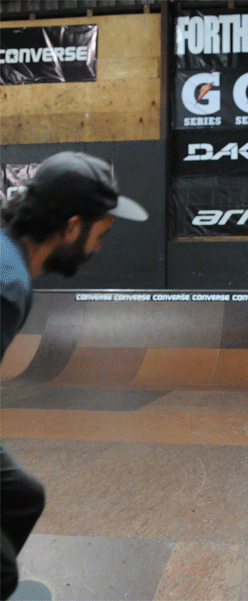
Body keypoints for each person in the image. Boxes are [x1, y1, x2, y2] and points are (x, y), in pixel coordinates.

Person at [0, 151, 148, 600]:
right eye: (99, 235)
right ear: (71, 227)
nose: (97, 249)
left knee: (21, 497)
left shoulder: (9, 257)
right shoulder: (6, 284)